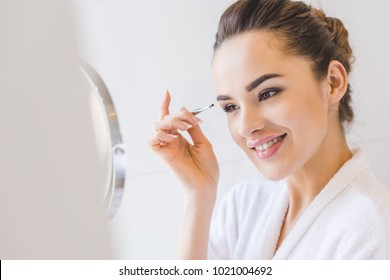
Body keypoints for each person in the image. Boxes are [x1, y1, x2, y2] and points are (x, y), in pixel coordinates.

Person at [149, 0, 390, 259]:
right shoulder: (244, 208)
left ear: (333, 82)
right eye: (231, 107)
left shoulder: (372, 231)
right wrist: (199, 195)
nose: (246, 126)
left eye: (267, 93)